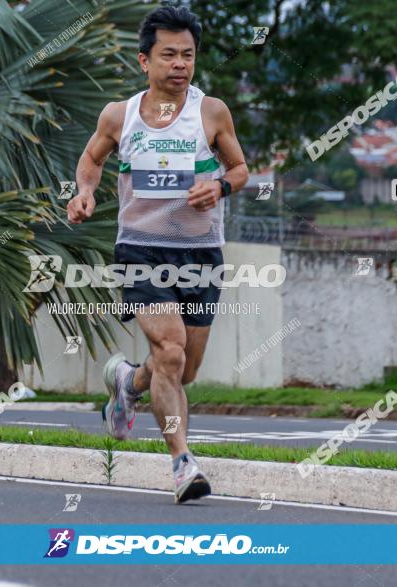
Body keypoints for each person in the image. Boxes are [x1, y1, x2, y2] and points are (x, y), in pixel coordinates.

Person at [67, 5, 249, 504]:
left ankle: (128, 380)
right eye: (168, 55)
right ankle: (181, 463)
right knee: (169, 351)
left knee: (183, 369)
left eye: (188, 55)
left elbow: (240, 169)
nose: (180, 65)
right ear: (144, 60)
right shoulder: (119, 115)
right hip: (141, 248)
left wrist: (219, 187)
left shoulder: (211, 112)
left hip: (200, 251)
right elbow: (91, 160)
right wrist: (84, 193)